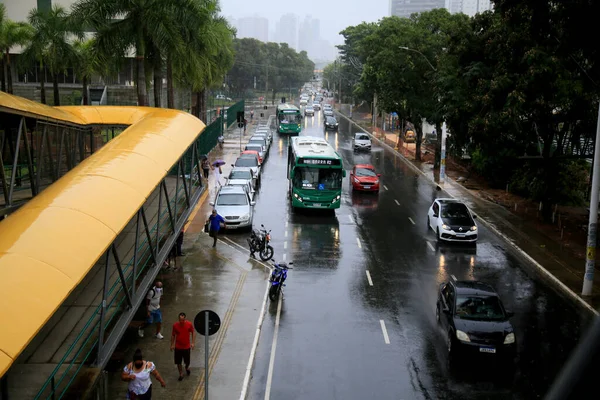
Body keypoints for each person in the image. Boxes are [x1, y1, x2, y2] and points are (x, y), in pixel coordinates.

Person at [171, 312, 196, 381]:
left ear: (185, 319)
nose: (181, 321)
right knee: (178, 362)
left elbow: (193, 332)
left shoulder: (189, 324)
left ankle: (187, 367)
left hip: (186, 347)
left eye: (182, 320)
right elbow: (173, 335)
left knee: (187, 361)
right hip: (178, 347)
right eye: (180, 320)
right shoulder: (175, 325)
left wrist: (193, 343)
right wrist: (172, 344)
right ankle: (181, 374)